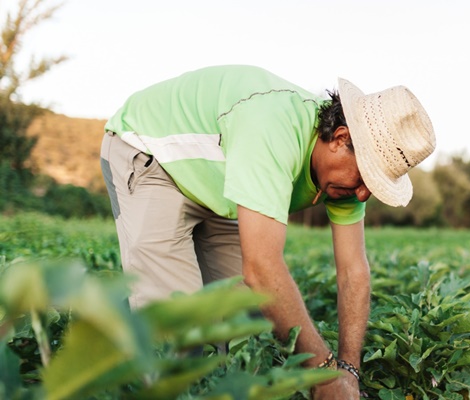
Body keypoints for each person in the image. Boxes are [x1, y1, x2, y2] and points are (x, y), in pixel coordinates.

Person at [100, 64, 435, 399]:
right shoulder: (273, 129)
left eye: (374, 186)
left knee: (240, 321)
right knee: (178, 326)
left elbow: (353, 272)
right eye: (365, 178)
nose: (364, 194)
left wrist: (348, 370)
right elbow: (262, 269)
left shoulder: (344, 180)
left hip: (220, 185)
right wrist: (323, 372)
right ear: (340, 139)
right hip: (150, 154)